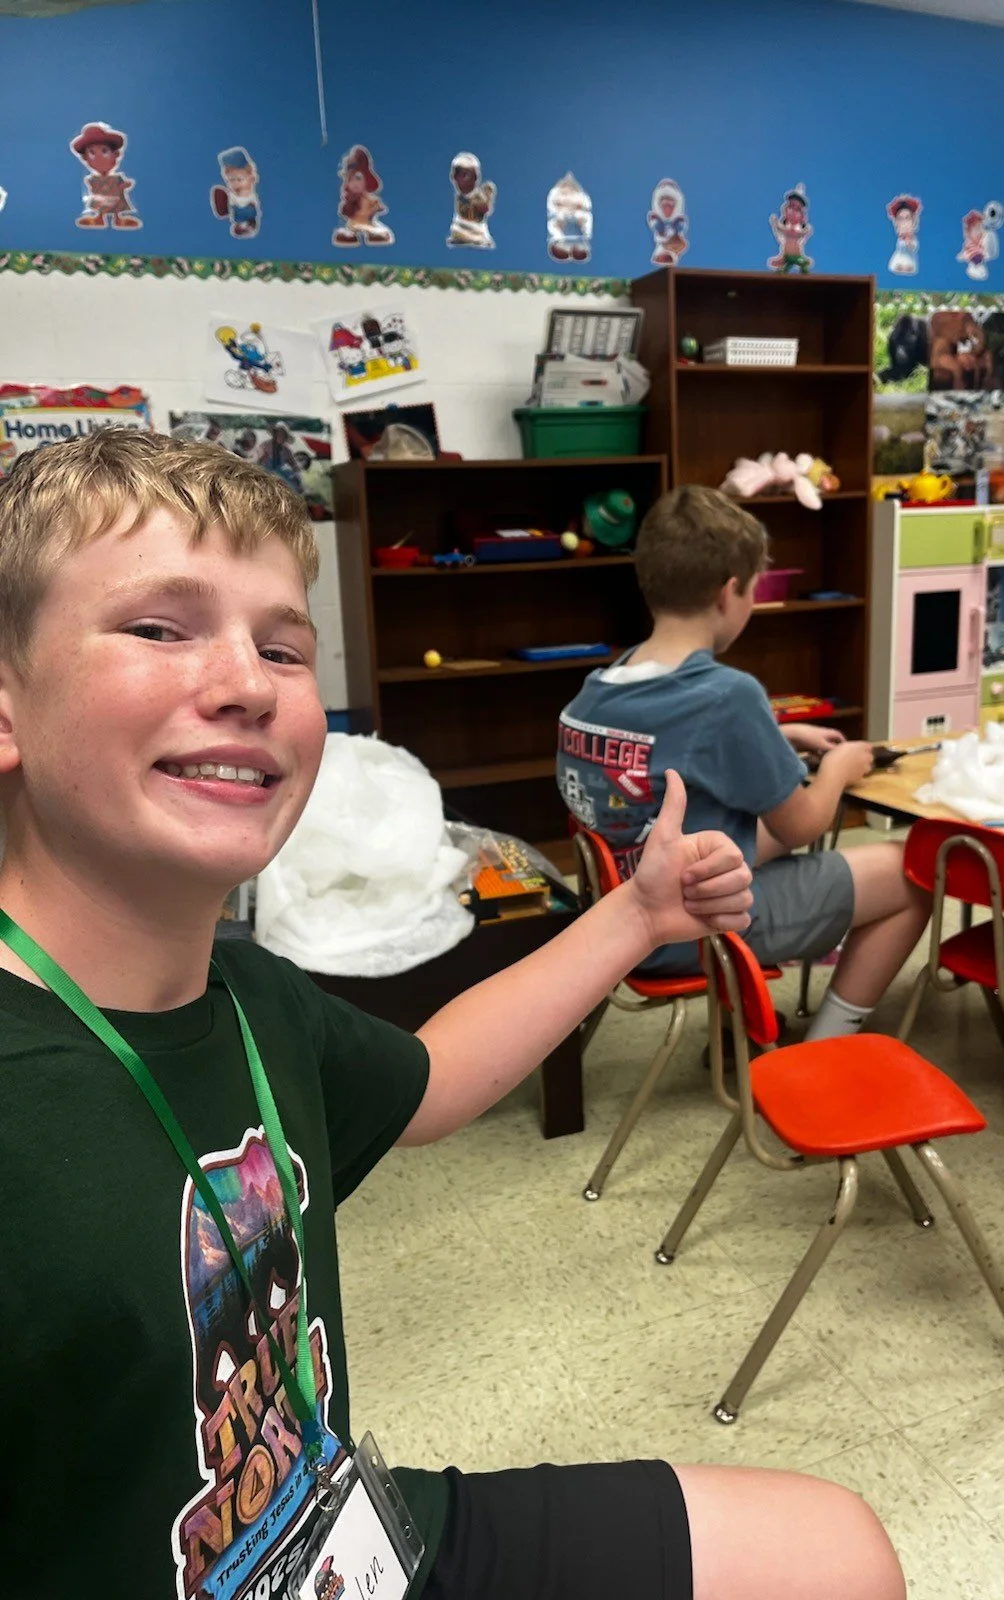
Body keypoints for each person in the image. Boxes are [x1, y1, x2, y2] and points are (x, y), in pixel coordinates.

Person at [0, 433, 905, 1600]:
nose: (246, 681)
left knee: (834, 1554)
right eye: (158, 628)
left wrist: (638, 913)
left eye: (283, 645)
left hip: (329, 1537)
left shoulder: (249, 992)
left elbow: (430, 1078)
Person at [556, 485, 930, 1043]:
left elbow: (673, 748)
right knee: (912, 872)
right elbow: (803, 824)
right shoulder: (729, 695)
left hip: (624, 909)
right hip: (692, 926)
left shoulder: (603, 687)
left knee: (756, 831)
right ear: (730, 592)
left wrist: (777, 736)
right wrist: (841, 768)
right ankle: (828, 1044)